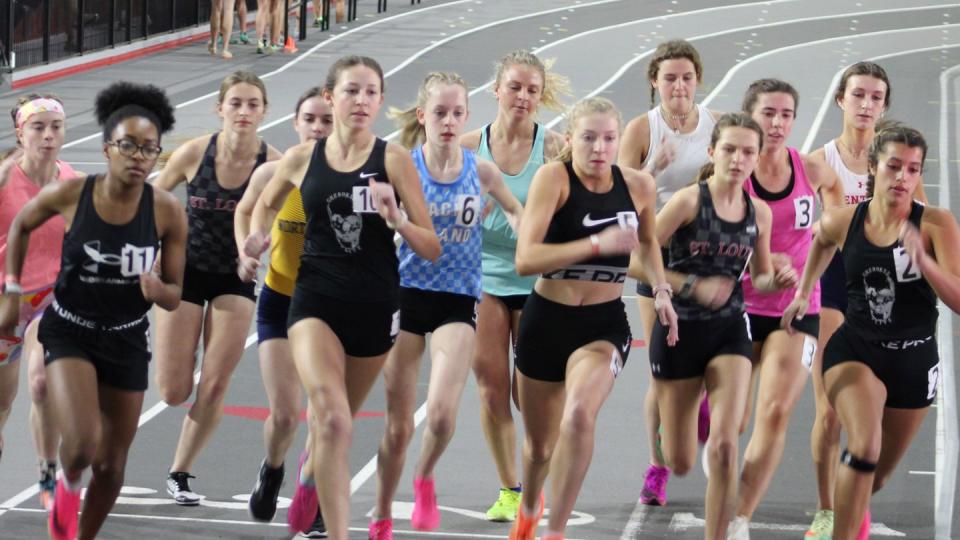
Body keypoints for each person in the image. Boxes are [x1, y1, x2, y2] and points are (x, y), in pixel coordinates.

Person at [244, 55, 440, 540]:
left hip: (375, 306)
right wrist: (254, 239)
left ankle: (310, 478)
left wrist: (397, 222)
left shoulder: (392, 159)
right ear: (331, 98)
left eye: (371, 92)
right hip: (313, 300)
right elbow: (264, 205)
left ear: (380, 101)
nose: (362, 101)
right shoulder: (301, 159)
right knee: (330, 419)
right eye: (352, 90)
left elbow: (431, 247)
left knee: (338, 426)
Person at [0, 81, 184, 540]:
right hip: (70, 327)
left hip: (125, 336)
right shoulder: (72, 193)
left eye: (148, 149)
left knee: (111, 467)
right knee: (80, 445)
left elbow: (176, 295)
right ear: (107, 149)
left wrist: (156, 288)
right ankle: (61, 481)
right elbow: (22, 224)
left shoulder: (166, 211)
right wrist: (11, 289)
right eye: (128, 145)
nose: (138, 156)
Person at [508, 96, 677, 540]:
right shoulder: (553, 180)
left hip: (603, 324)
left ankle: (556, 531)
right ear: (570, 140)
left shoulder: (638, 186)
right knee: (539, 447)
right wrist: (595, 245)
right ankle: (529, 507)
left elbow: (649, 242)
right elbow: (526, 258)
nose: (599, 148)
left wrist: (661, 289)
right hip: (546, 321)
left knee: (580, 414)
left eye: (608, 139)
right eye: (588, 138)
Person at [782, 124, 958, 540]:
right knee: (863, 447)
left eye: (913, 170)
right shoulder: (846, 220)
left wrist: (926, 263)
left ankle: (852, 514)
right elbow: (821, 239)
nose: (902, 178)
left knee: (872, 478)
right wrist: (803, 293)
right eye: (894, 166)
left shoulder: (935, 225)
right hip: (855, 351)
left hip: (914, 360)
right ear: (873, 170)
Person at [369, 72, 523, 540]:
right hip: (406, 293)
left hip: (458, 296)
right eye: (440, 112)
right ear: (422, 116)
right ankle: (379, 512)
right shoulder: (404, 168)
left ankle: (424, 477)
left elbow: (515, 209)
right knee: (398, 425)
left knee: (440, 414)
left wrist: (521, 232)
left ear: (467, 117)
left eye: (458, 113)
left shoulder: (481, 170)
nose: (450, 121)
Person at [645, 113, 797, 539]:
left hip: (730, 328)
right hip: (679, 330)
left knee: (727, 443)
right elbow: (641, 258)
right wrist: (690, 285)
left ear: (757, 157)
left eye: (748, 151)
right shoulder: (689, 201)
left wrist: (778, 279)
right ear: (713, 152)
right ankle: (668, 427)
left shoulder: (759, 213)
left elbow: (761, 276)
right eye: (729, 149)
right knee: (680, 461)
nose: (738, 158)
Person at [803, 61, 926, 540]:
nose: (866, 105)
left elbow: (916, 221)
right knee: (829, 411)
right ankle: (826, 510)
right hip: (835, 286)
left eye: (876, 97)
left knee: (873, 426)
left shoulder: (898, 159)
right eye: (858, 95)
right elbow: (810, 234)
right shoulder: (818, 162)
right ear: (840, 100)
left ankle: (854, 495)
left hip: (884, 292)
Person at [153, 70, 281, 505]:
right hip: (186, 272)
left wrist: (267, 245)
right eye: (236, 103)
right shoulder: (195, 153)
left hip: (236, 277)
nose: (244, 112)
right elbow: (152, 198)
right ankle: (180, 352)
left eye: (253, 104)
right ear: (220, 108)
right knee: (173, 390)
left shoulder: (274, 163)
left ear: (264, 111)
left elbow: (296, 218)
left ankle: (180, 471)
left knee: (215, 383)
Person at [726, 79, 844, 539]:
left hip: (796, 309)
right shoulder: (731, 173)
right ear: (748, 117)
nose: (777, 124)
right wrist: (756, 262)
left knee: (773, 412)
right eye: (767, 114)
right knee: (731, 422)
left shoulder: (810, 169)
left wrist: (822, 246)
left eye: (786, 115)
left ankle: (740, 518)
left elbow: (835, 213)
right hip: (736, 308)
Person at [459, 48, 567, 522]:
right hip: (479, 274)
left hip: (535, 277)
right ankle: (510, 489)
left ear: (540, 98)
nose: (522, 96)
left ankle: (541, 472)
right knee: (490, 388)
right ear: (496, 90)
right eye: (515, 87)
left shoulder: (556, 148)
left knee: (532, 396)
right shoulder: (466, 147)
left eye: (532, 90)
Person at [617, 39, 719, 506]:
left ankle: (701, 409)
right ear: (654, 82)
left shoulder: (716, 125)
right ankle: (656, 467)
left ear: (698, 79)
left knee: (707, 367)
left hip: (709, 259)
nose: (679, 85)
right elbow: (615, 200)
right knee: (662, 373)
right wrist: (650, 174)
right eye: (670, 77)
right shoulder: (642, 129)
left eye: (686, 77)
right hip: (655, 258)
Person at [234, 87, 332, 537]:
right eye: (310, 118)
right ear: (295, 123)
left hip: (330, 306)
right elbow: (251, 210)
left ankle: (310, 499)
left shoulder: (349, 178)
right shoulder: (276, 172)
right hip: (280, 298)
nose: (317, 128)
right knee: (287, 414)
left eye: (327, 121)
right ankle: (272, 468)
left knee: (324, 410)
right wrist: (249, 248)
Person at [0, 93, 79, 510]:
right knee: (3, 403)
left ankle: (48, 472)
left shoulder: (74, 183)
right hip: (3, 304)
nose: (48, 136)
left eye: (55, 127)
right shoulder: (2, 179)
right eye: (38, 127)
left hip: (48, 302)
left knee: (42, 382)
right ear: (20, 131)